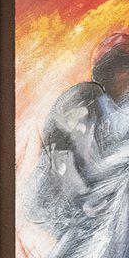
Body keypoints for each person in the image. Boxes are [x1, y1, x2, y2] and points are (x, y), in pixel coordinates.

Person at [27, 29, 129, 238]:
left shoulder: (117, 109)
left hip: (86, 208)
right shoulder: (84, 97)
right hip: (61, 206)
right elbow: (63, 158)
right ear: (111, 71)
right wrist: (86, 198)